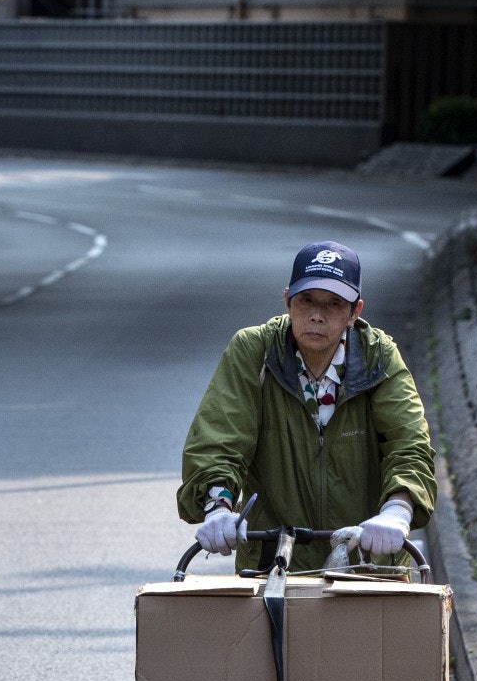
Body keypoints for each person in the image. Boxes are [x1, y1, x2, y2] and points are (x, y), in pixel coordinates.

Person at [180, 240, 436, 574]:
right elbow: (219, 439)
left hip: (368, 560)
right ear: (287, 301)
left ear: (354, 311)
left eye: (334, 303)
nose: (316, 315)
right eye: (306, 300)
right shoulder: (254, 350)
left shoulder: (379, 356)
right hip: (272, 562)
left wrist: (397, 511)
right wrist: (218, 505)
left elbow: (410, 445)